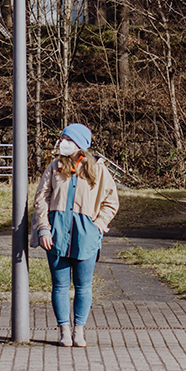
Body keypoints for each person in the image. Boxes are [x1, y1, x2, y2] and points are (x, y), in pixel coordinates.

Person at [31, 122, 120, 347]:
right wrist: (43, 227)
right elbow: (41, 198)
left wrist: (99, 224)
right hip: (57, 233)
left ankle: (79, 330)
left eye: (69, 140)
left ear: (80, 144)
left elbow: (111, 201)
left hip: (85, 235)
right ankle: (63, 330)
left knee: (83, 286)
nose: (64, 143)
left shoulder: (98, 170)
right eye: (63, 139)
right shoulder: (55, 167)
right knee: (59, 286)